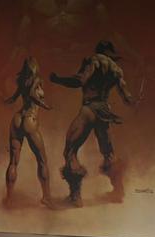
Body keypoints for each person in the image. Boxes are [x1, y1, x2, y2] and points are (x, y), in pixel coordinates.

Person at [50, 40, 139, 207]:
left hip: (89, 110)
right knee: (108, 154)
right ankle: (118, 192)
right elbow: (127, 97)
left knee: (70, 151)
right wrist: (134, 102)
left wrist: (57, 79)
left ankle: (75, 197)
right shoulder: (116, 69)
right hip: (104, 111)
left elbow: (80, 81)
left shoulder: (94, 61)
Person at [3, 57, 52, 207]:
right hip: (29, 119)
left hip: (17, 119)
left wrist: (7, 100)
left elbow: (14, 97)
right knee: (42, 160)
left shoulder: (22, 81)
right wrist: (44, 105)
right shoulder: (36, 79)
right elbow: (32, 94)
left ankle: (9, 199)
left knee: (13, 162)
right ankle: (47, 198)